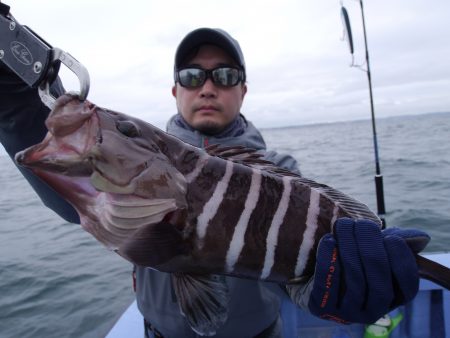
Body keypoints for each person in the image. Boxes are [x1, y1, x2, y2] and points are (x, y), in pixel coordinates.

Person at [0, 9, 429, 337]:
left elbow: (301, 274)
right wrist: (14, 94)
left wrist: (329, 288)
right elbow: (74, 182)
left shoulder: (281, 172)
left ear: (243, 90)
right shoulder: (126, 167)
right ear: (175, 90)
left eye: (225, 75)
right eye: (192, 75)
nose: (208, 86)